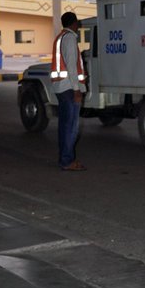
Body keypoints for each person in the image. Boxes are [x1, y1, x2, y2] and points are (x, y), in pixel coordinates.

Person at [51, 11, 86, 172]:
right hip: (68, 88)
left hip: (61, 87)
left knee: (65, 126)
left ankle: (65, 158)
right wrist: (77, 90)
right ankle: (67, 161)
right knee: (71, 127)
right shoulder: (70, 38)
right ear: (74, 23)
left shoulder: (61, 37)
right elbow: (72, 66)